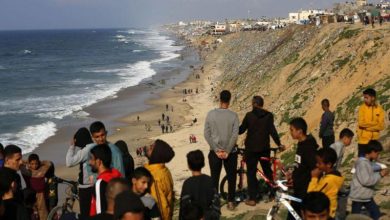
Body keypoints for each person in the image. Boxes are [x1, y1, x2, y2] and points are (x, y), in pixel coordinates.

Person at [238, 96, 284, 206]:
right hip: (264, 148)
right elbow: (273, 132)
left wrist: (232, 127)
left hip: (251, 149)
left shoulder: (249, 116)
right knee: (267, 170)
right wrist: (279, 144)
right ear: (262, 104)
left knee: (251, 173)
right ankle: (272, 193)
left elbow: (241, 130)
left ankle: (253, 198)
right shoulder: (268, 116)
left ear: (254, 104)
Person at [204, 90, 239, 210]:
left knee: (214, 178)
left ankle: (215, 203)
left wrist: (216, 149)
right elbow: (235, 136)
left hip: (214, 153)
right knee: (231, 177)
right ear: (229, 100)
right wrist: (228, 151)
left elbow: (206, 134)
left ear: (220, 99)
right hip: (231, 152)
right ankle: (230, 201)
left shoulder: (211, 114)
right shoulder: (234, 116)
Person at [288, 118, 319, 219]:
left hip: (304, 191)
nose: (290, 132)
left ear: (300, 131)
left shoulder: (308, 148)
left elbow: (315, 169)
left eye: (292, 130)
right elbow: (300, 164)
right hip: (298, 188)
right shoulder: (301, 144)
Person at [349, 140, 388, 220]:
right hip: (359, 196)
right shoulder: (363, 164)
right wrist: (380, 175)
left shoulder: (365, 162)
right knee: (356, 217)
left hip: (365, 195)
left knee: (375, 213)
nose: (378, 155)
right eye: (377, 153)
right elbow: (366, 181)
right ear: (372, 152)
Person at [180, 150, 220, 220]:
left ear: (189, 166)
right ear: (203, 163)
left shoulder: (187, 183)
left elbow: (184, 207)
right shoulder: (210, 180)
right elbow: (216, 204)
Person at [66, 127, 95, 219]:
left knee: (85, 214)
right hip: (94, 184)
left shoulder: (85, 151)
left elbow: (69, 162)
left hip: (86, 187)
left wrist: (72, 146)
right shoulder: (95, 146)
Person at [307, 148, 344, 219]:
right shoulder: (333, 176)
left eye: (319, 163)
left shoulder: (328, 180)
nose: (317, 165)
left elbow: (311, 195)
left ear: (329, 164)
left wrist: (314, 178)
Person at [144, 139, 175, 220]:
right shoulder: (164, 169)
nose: (149, 147)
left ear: (157, 154)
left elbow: (160, 205)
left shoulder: (155, 175)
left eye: (152, 147)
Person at [89, 144, 122, 216]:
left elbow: (101, 214)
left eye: (91, 159)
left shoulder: (100, 184)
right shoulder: (117, 176)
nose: (89, 162)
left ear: (98, 162)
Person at [20, 154, 52, 220]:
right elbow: (20, 163)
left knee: (42, 210)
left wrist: (40, 162)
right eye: (32, 164)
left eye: (36, 163)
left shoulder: (42, 169)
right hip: (31, 193)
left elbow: (49, 163)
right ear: (29, 163)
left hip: (41, 194)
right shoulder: (27, 172)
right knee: (32, 211)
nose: (34, 166)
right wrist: (27, 162)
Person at [357, 88, 385, 156]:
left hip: (374, 141)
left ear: (373, 98)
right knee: (362, 162)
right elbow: (361, 123)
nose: (365, 99)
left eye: (366, 97)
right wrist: (375, 123)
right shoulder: (362, 108)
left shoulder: (379, 109)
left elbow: (381, 126)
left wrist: (367, 128)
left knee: (373, 164)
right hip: (363, 141)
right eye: (364, 97)